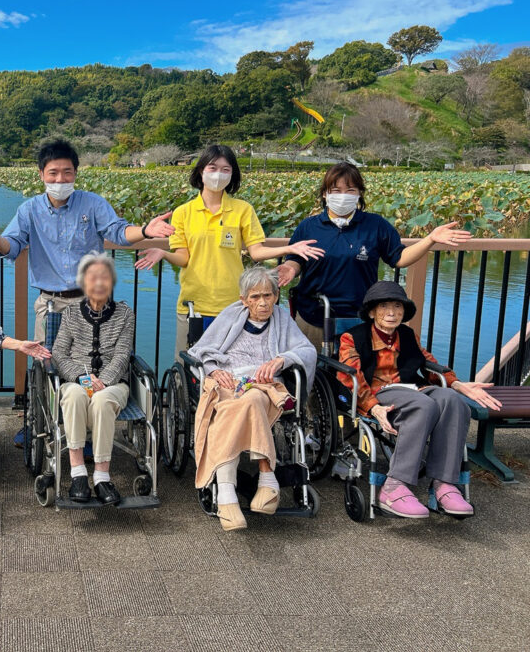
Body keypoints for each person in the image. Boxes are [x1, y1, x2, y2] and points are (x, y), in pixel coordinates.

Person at [0, 139, 174, 341]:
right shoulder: (30, 210)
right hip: (50, 302)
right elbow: (13, 246)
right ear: (41, 174)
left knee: (93, 362)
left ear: (75, 173)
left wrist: (146, 230)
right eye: (53, 173)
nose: (60, 179)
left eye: (67, 172)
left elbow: (118, 232)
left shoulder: (92, 204)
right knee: (46, 362)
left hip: (92, 299)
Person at [135, 144, 324, 356]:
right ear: (200, 171)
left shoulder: (243, 210)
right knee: (188, 371)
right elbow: (183, 258)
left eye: (226, 170)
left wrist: (290, 248)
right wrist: (163, 253)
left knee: (230, 368)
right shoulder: (183, 212)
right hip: (193, 304)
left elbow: (256, 252)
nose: (218, 174)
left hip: (234, 305)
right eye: (213, 168)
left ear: (232, 174)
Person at [337, 281, 500, 518]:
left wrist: (456, 384)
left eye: (397, 306)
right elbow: (348, 375)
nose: (391, 312)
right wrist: (372, 408)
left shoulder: (407, 335)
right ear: (372, 311)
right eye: (383, 306)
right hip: (379, 393)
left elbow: (428, 362)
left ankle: (444, 483)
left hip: (413, 388)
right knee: (424, 405)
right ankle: (393, 487)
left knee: (453, 402)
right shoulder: (352, 337)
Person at [276, 162, 471, 350]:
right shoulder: (309, 226)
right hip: (313, 315)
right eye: (335, 191)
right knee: (313, 374)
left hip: (359, 317)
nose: (343, 196)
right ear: (325, 194)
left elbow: (399, 258)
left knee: (356, 374)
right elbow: (297, 258)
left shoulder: (375, 225)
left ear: (359, 193)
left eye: (350, 190)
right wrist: (290, 268)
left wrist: (430, 239)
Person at [187, 266, 316, 531]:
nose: (262, 303)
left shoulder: (282, 319)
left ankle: (226, 494)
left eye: (267, 296)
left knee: (250, 400)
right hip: (229, 383)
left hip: (264, 387)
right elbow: (200, 350)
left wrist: (283, 358)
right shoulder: (231, 316)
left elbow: (307, 350)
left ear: (276, 296)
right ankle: (267, 481)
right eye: (255, 297)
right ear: (244, 299)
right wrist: (214, 369)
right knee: (242, 403)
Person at [50, 252, 136, 505]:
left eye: (104, 277)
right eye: (92, 278)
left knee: (101, 401)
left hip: (113, 383)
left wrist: (105, 381)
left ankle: (101, 476)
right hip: (77, 378)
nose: (99, 283)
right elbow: (58, 352)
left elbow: (122, 354)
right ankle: (77, 473)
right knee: (75, 395)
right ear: (84, 283)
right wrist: (79, 376)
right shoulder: (71, 314)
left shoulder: (124, 314)